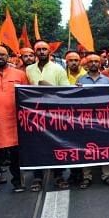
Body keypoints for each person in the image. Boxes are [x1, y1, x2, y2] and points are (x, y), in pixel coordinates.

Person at [26, 40, 70, 191]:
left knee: (56, 144)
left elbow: (65, 93)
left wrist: (49, 88)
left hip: (55, 116)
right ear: (35, 52)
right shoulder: (28, 70)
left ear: (49, 51)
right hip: (34, 116)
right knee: (37, 146)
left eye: (45, 49)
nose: (42, 52)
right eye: (39, 49)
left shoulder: (58, 69)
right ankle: (37, 177)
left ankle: (58, 176)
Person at [0, 45, 29, 195]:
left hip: (15, 121)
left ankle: (18, 182)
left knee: (16, 155)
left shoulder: (19, 74)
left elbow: (27, 97)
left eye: (2, 54)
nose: (0, 57)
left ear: (8, 56)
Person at [76, 53, 109, 189]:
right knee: (85, 147)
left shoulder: (107, 80)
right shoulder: (80, 80)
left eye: (96, 61)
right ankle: (86, 177)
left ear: (100, 64)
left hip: (103, 119)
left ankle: (106, 175)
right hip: (86, 119)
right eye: (90, 61)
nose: (93, 63)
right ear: (86, 65)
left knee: (105, 146)